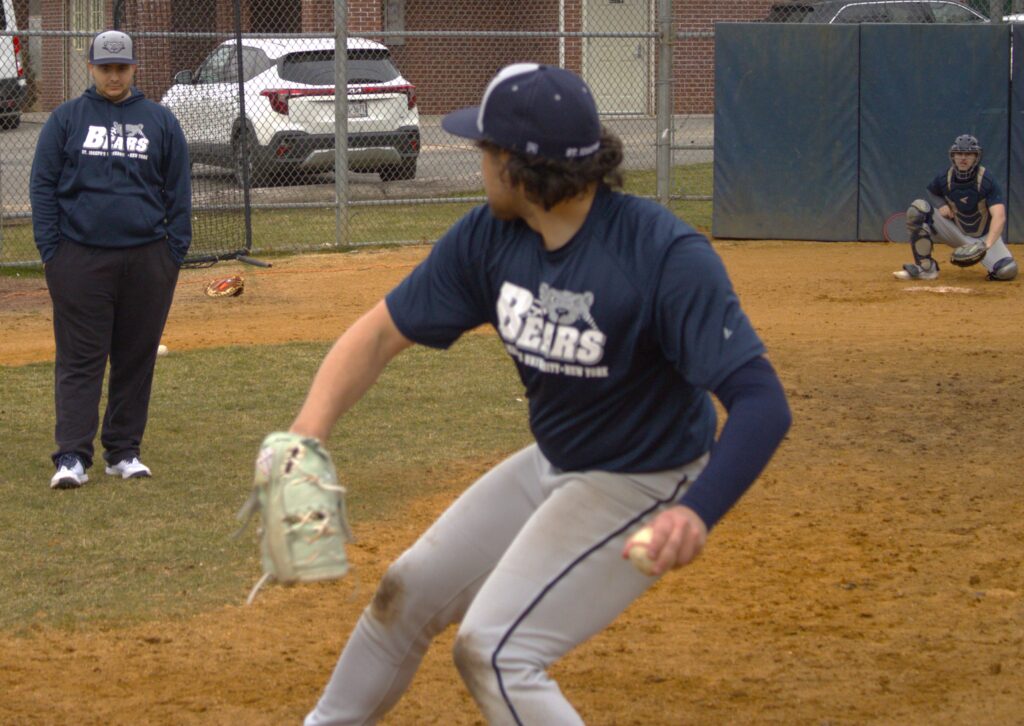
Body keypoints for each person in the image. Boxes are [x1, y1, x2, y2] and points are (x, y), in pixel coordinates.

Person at [286, 63, 792, 724]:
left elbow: (762, 401)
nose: (478, 162)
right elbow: (378, 335)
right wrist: (304, 436)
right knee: (403, 594)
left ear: (518, 167)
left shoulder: (661, 255)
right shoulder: (490, 238)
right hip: (557, 461)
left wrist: (697, 512)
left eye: (485, 150)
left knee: (494, 651)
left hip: (646, 478)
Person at [30, 30, 192, 489]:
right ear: (92, 67)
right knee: (81, 359)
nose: (114, 76)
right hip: (79, 260)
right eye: (106, 67)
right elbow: (43, 186)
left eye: (122, 67)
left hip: (147, 259)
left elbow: (178, 189)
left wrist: (172, 251)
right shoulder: (66, 120)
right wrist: (52, 252)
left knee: (135, 357)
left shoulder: (160, 121)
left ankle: (123, 452)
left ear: (134, 68)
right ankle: (72, 458)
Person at [894, 134, 1017, 282]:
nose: (963, 158)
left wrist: (986, 245)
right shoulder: (945, 177)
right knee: (918, 210)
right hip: (956, 229)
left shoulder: (986, 180)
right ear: (953, 155)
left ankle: (991, 262)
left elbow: (999, 216)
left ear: (976, 157)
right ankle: (926, 268)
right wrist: (942, 205)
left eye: (968, 154)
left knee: (1006, 271)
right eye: (959, 153)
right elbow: (932, 191)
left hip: (983, 238)